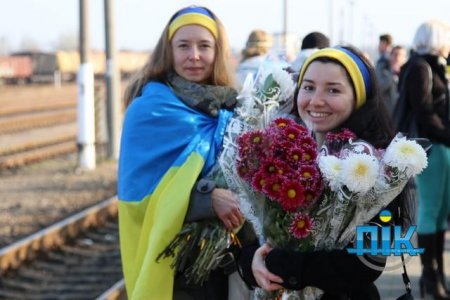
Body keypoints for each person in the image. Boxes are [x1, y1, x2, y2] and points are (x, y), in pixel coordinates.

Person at [237, 46, 416, 299]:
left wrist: (282, 266)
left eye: (333, 90)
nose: (316, 100)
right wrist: (251, 263)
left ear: (359, 97)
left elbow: (367, 264)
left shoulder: (378, 167)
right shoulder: (280, 150)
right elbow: (249, 235)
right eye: (308, 87)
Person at [117, 6, 244, 300]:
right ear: (168, 50)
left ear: (218, 51)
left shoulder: (233, 108)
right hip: (175, 266)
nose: (194, 55)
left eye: (204, 46)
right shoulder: (147, 111)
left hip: (227, 266)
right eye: (183, 46)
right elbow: (139, 198)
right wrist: (204, 197)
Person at [397, 20, 450, 300]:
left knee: (441, 212)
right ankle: (429, 278)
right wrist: (446, 132)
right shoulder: (420, 67)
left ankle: (437, 274)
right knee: (430, 211)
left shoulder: (434, 64)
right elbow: (424, 111)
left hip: (441, 145)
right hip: (430, 147)